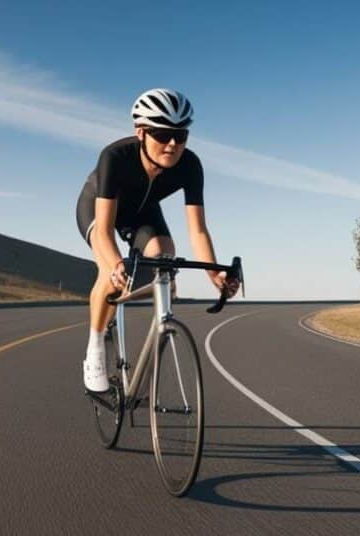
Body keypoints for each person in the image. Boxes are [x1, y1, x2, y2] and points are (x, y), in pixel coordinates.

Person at [76, 88, 239, 392]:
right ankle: (95, 349)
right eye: (163, 134)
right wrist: (115, 264)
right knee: (112, 278)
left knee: (164, 256)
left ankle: (160, 327)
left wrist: (214, 273)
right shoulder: (115, 157)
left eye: (181, 135)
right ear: (141, 132)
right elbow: (104, 230)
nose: (173, 143)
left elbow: (198, 230)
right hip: (100, 211)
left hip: (144, 213)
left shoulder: (190, 165)